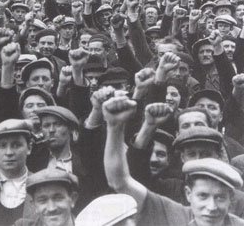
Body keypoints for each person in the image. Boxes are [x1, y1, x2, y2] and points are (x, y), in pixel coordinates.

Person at [103, 95, 244, 226]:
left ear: (231, 197)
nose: (211, 207)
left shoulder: (240, 208)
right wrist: (114, 127)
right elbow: (119, 180)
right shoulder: (177, 210)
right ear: (189, 194)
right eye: (202, 196)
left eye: (220, 197)